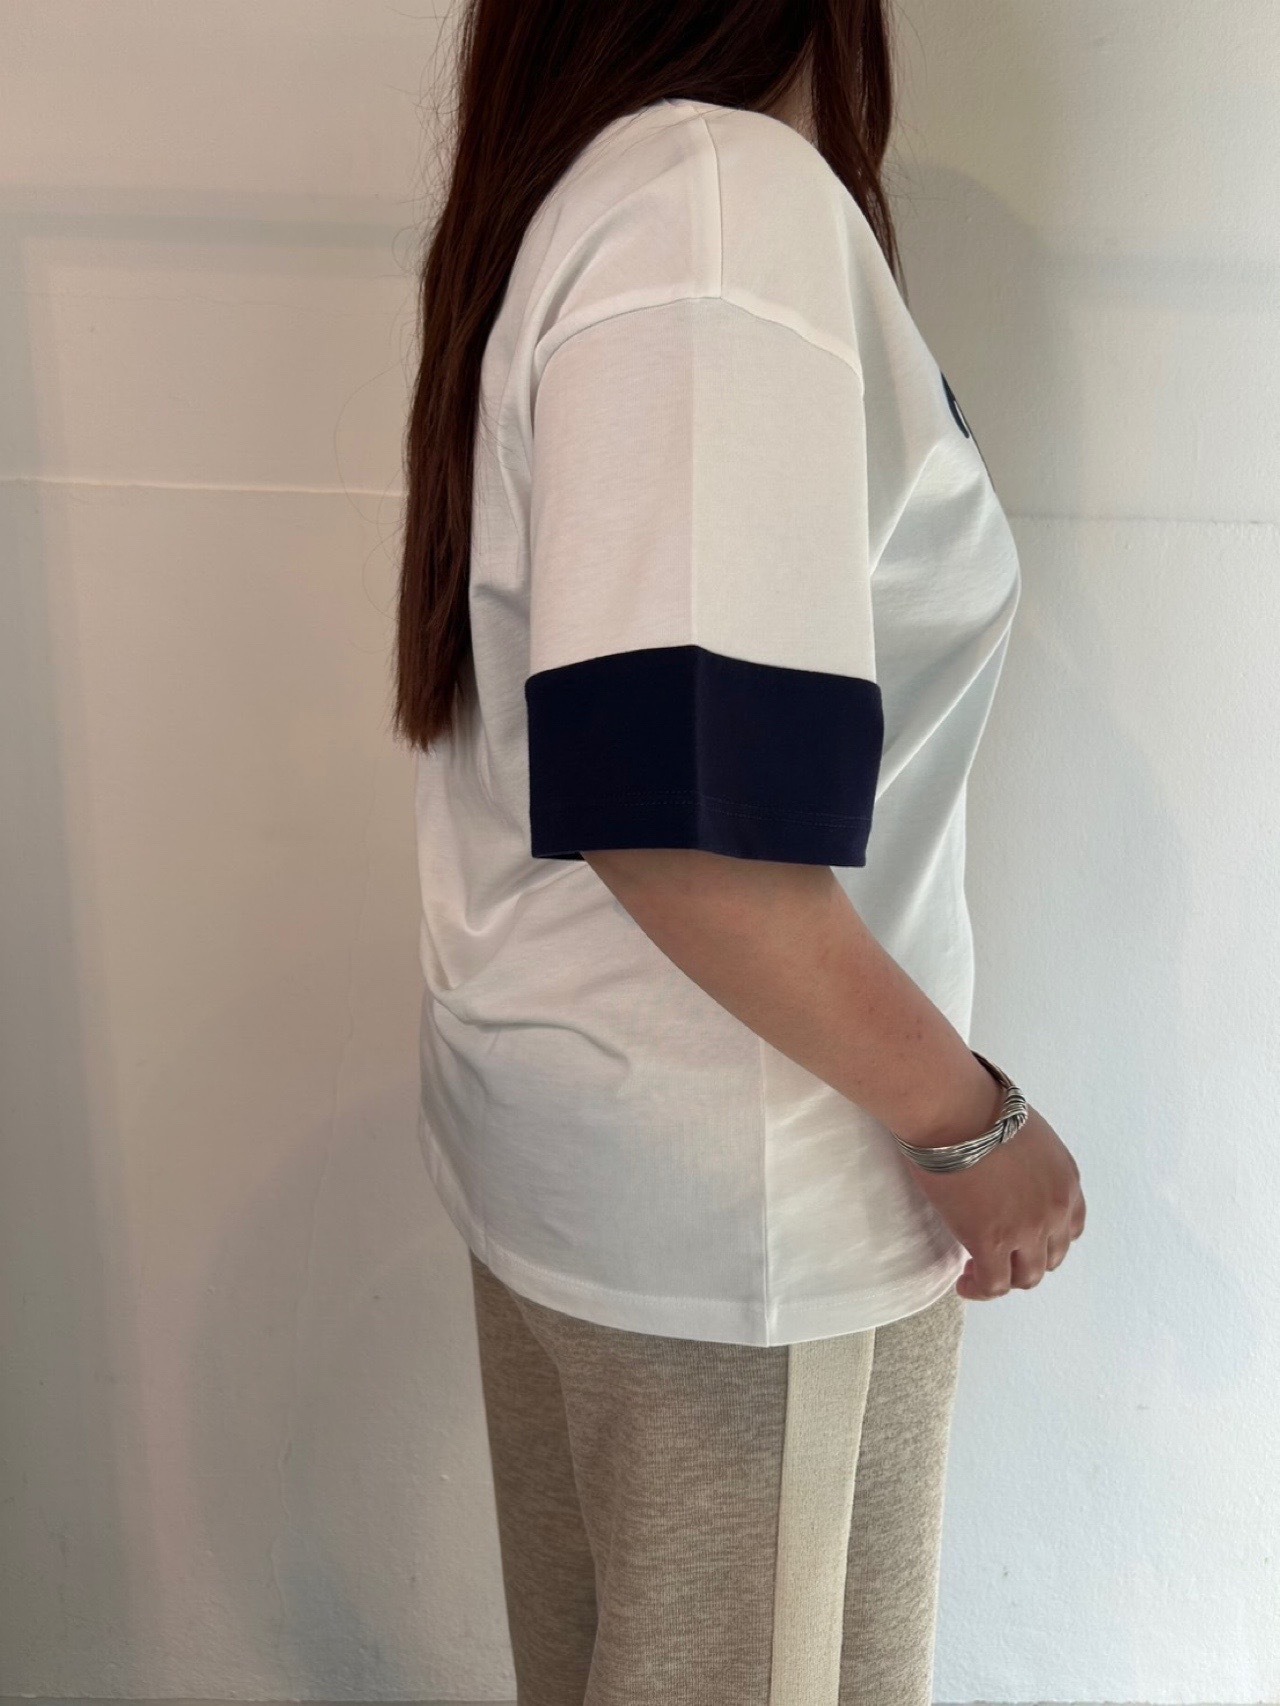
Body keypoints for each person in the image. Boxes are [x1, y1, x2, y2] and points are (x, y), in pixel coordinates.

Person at [394, 2, 1087, 1701]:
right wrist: (971, 1121)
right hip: (749, 1218)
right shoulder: (715, 206)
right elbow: (689, 830)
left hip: (621, 1175)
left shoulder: (603, 202)